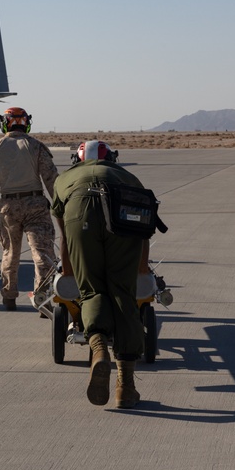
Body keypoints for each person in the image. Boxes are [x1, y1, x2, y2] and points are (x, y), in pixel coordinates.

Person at [51, 140, 155, 409]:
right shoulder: (128, 176)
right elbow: (145, 226)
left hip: (78, 213)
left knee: (91, 291)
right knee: (123, 295)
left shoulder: (65, 178)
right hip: (122, 213)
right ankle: (126, 387)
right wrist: (141, 269)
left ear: (78, 159)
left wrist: (69, 271)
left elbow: (64, 235)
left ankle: (98, 349)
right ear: (112, 159)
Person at [0, 106, 58, 311]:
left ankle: (9, 296)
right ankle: (43, 299)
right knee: (42, 253)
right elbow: (51, 177)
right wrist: (62, 205)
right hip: (36, 205)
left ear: (4, 123)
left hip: (9, 208)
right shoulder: (36, 146)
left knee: (10, 253)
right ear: (26, 123)